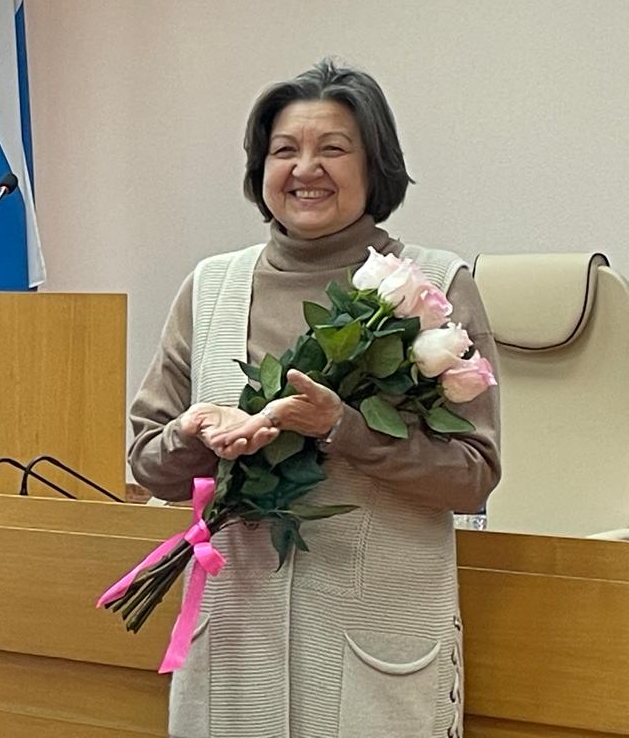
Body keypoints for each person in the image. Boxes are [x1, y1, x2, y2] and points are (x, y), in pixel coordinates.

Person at [128, 59, 501, 738]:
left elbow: (472, 476)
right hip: (235, 640)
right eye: (284, 150)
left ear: (374, 166)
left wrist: (344, 428)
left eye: (333, 148)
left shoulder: (436, 288)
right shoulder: (209, 288)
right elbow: (148, 465)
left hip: (375, 644)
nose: (306, 169)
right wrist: (192, 431)